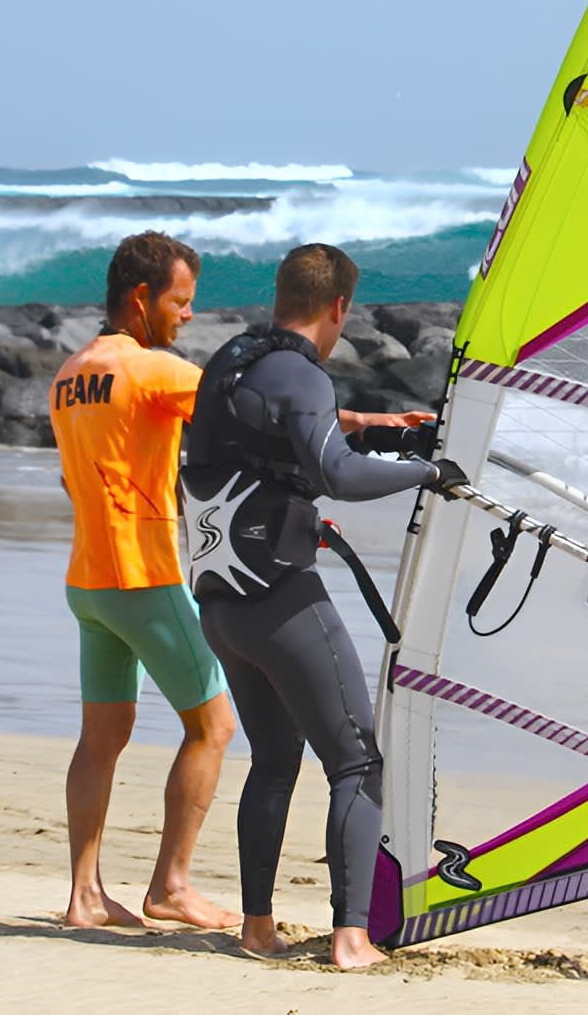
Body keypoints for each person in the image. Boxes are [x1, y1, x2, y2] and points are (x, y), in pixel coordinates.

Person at [181, 242, 464, 969]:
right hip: (279, 597)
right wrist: (425, 468)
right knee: (357, 758)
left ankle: (257, 926)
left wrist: (374, 425)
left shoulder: (233, 359)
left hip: (220, 603)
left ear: (282, 296)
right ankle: (350, 936)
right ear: (340, 307)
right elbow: (332, 472)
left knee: (274, 758)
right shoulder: (302, 373)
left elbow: (280, 429)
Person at [50, 231, 239, 932]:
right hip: (145, 574)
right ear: (141, 298)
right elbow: (261, 409)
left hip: (88, 581)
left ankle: (84, 895)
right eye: (181, 301)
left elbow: (75, 484)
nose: (187, 316)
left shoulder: (69, 375)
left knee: (101, 736)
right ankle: (172, 885)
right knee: (213, 725)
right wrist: (366, 424)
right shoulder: (150, 370)